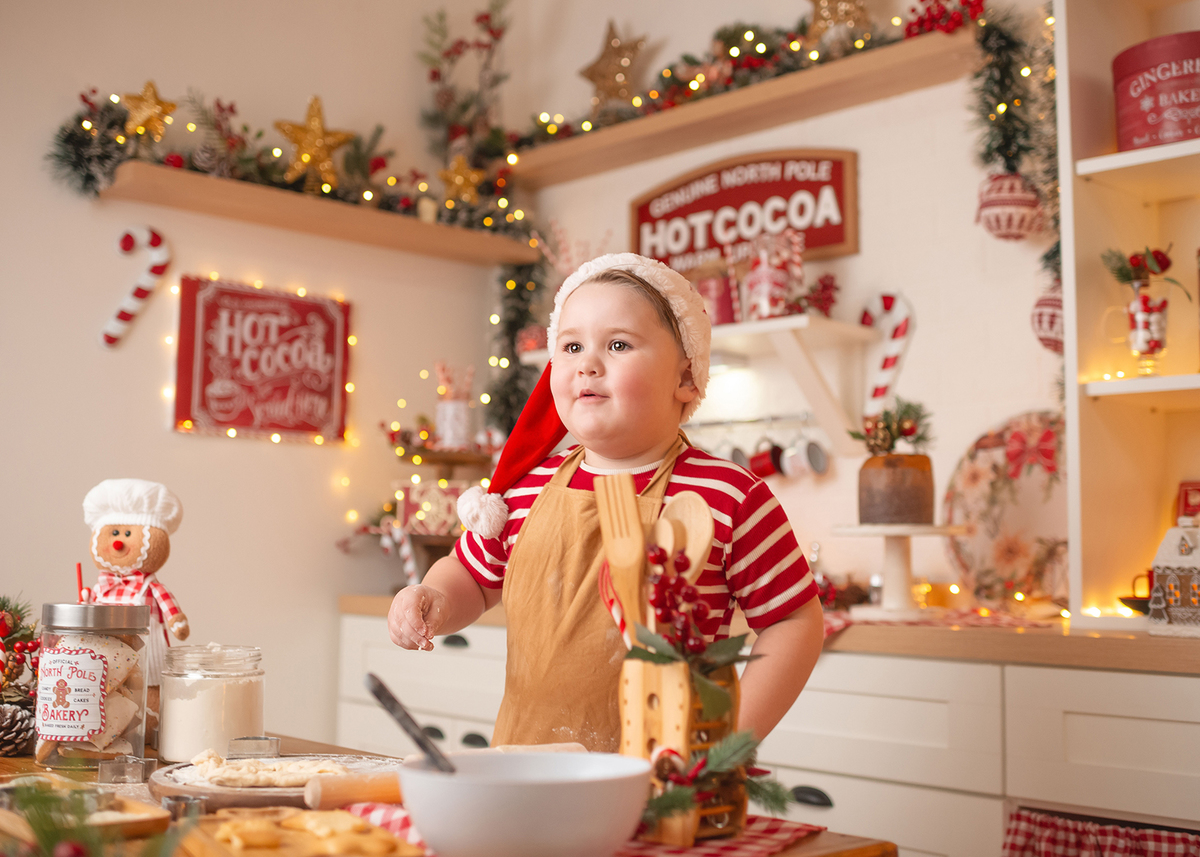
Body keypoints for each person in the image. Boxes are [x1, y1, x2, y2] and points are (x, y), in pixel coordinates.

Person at [388, 253, 823, 751]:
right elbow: (471, 576)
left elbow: (793, 621)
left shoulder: (729, 495)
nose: (587, 363)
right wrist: (434, 599)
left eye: (618, 344)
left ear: (686, 378)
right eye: (571, 346)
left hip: (665, 789)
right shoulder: (526, 488)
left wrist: (727, 741)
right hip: (522, 768)